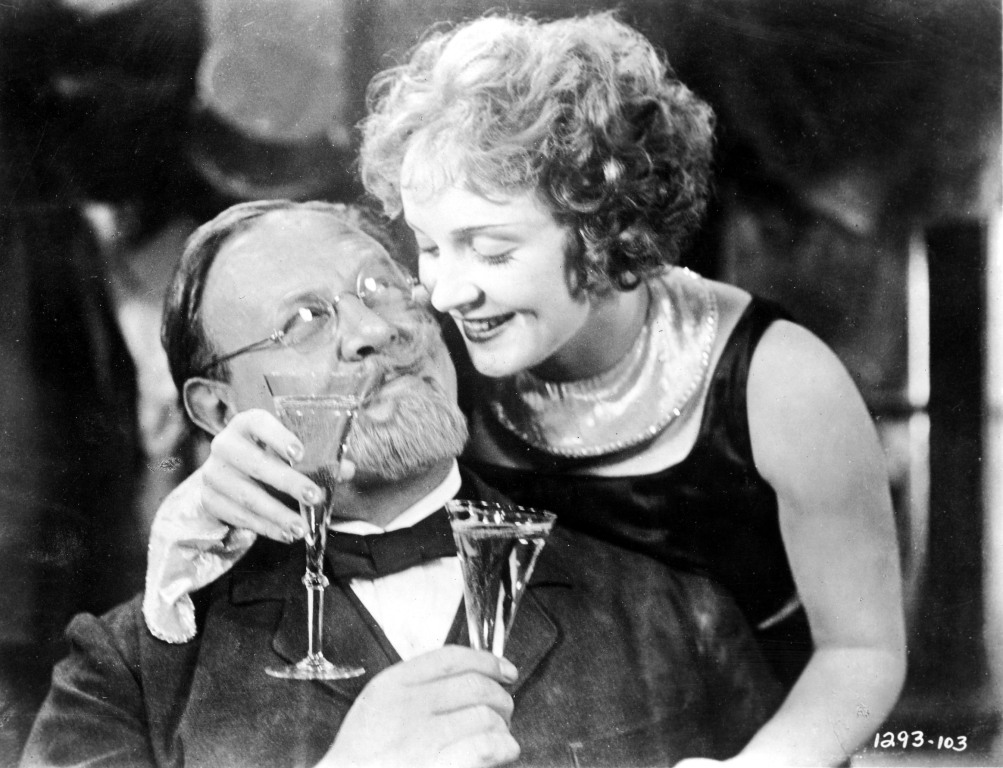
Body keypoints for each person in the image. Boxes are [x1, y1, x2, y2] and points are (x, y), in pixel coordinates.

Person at [144, 12, 906, 766]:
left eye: (489, 249)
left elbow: (861, 653)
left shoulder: (778, 382)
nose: (445, 293)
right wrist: (204, 498)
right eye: (429, 246)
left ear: (603, 222)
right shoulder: (448, 356)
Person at [22, 200, 782, 768]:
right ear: (218, 410)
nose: (373, 329)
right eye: (305, 320)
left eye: (383, 287)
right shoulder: (128, 674)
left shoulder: (669, 609)